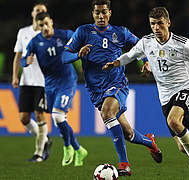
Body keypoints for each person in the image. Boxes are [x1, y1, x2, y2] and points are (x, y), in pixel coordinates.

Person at [102, 7, 189, 180]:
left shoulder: (182, 44)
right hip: (165, 96)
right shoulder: (146, 42)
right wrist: (116, 63)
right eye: (153, 24)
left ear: (168, 23)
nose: (156, 27)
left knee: (173, 120)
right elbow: (131, 55)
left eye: (160, 23)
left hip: (186, 88)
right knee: (183, 146)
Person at [62, 0, 162, 176]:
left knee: (107, 113)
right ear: (92, 14)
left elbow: (141, 45)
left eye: (104, 12)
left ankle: (124, 164)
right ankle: (150, 142)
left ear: (110, 13)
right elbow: (64, 56)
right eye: (97, 13)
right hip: (96, 90)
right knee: (129, 134)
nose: (101, 16)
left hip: (117, 84)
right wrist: (77, 54)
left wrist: (146, 62)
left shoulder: (120, 32)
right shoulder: (83, 32)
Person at [21, 12, 88, 167]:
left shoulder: (64, 35)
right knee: (59, 120)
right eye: (41, 25)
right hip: (50, 85)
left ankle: (67, 147)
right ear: (38, 26)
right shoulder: (35, 42)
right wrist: (26, 61)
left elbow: (80, 39)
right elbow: (24, 59)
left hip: (67, 81)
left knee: (58, 117)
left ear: (51, 21)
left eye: (46, 23)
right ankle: (79, 149)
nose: (45, 27)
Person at [12, 3, 52, 162]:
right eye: (38, 10)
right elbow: (18, 56)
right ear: (32, 13)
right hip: (26, 80)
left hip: (42, 81)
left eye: (43, 11)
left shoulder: (50, 34)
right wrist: (16, 75)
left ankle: (39, 153)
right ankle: (46, 139)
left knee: (40, 114)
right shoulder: (23, 32)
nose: (40, 12)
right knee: (24, 118)